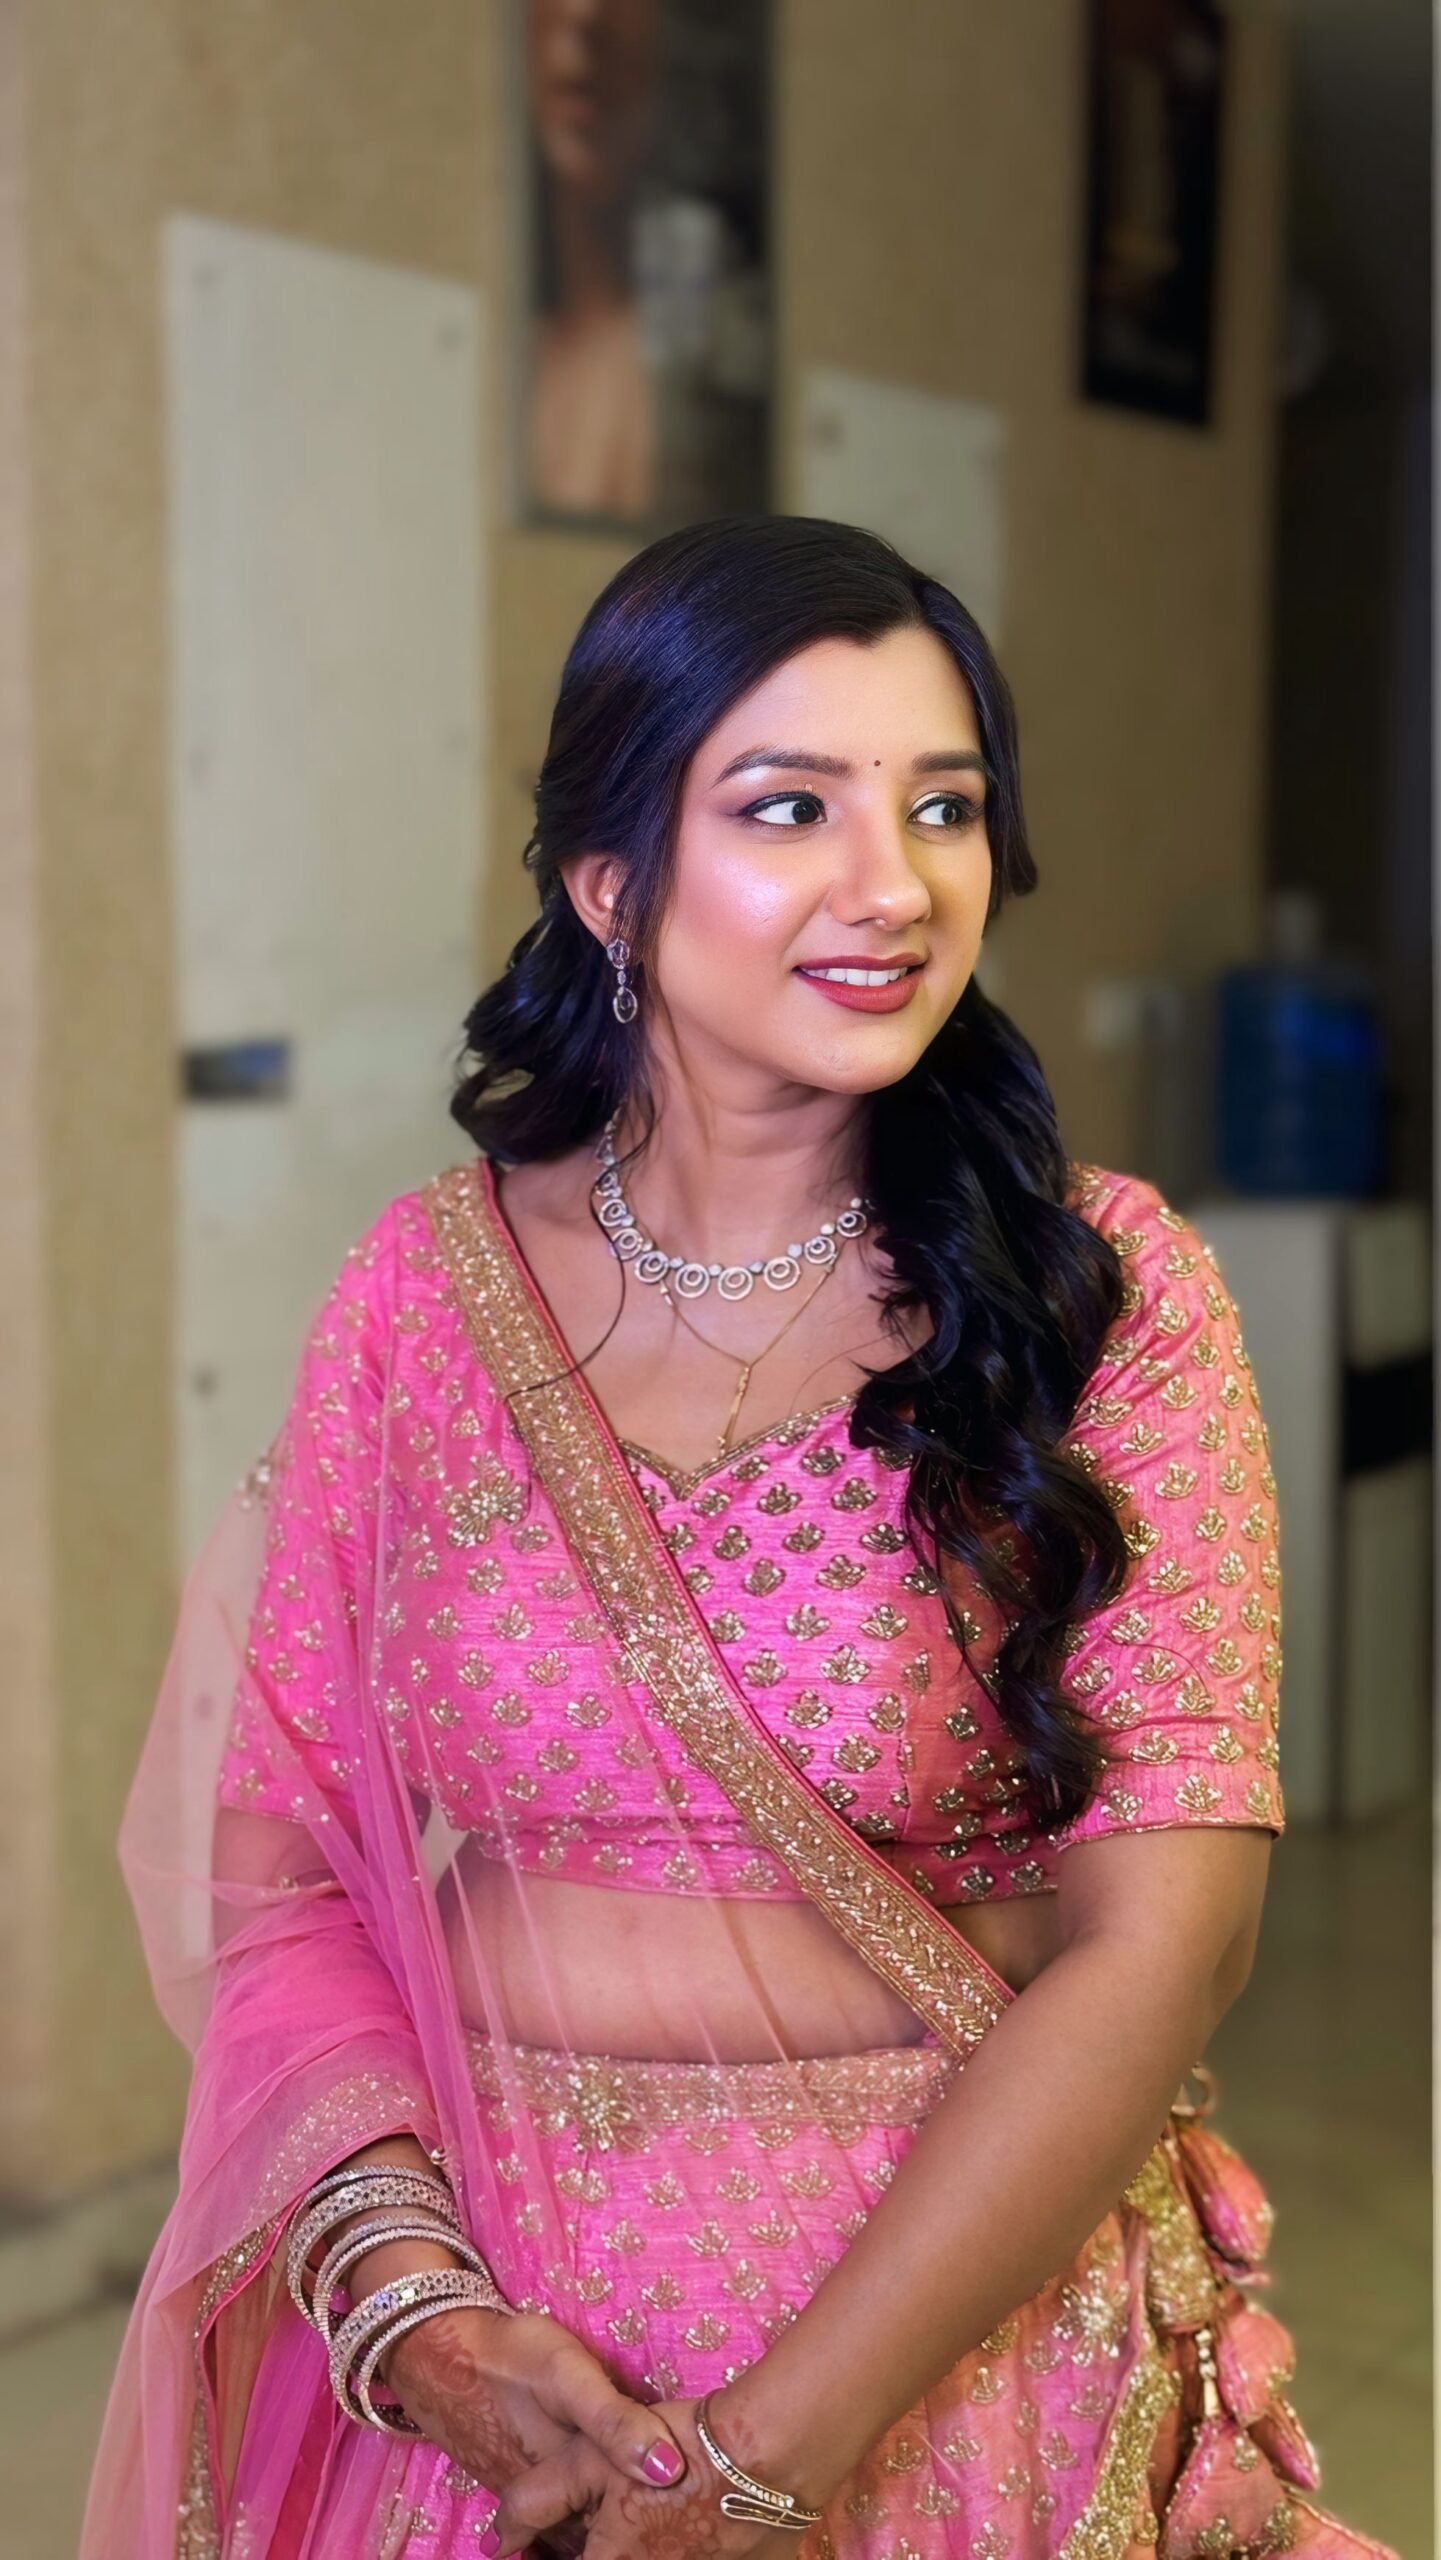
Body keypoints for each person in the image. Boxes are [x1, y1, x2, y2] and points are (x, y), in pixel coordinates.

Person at [85, 517, 1392, 2559]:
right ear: (611, 879)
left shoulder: (1095, 1298)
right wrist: (411, 2304)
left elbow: (1170, 1938)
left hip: (947, 2359)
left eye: (942, 806)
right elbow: (276, 1877)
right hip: (501, 2373)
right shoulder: (426, 1301)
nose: (895, 884)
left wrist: (774, 2448)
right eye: (790, 807)